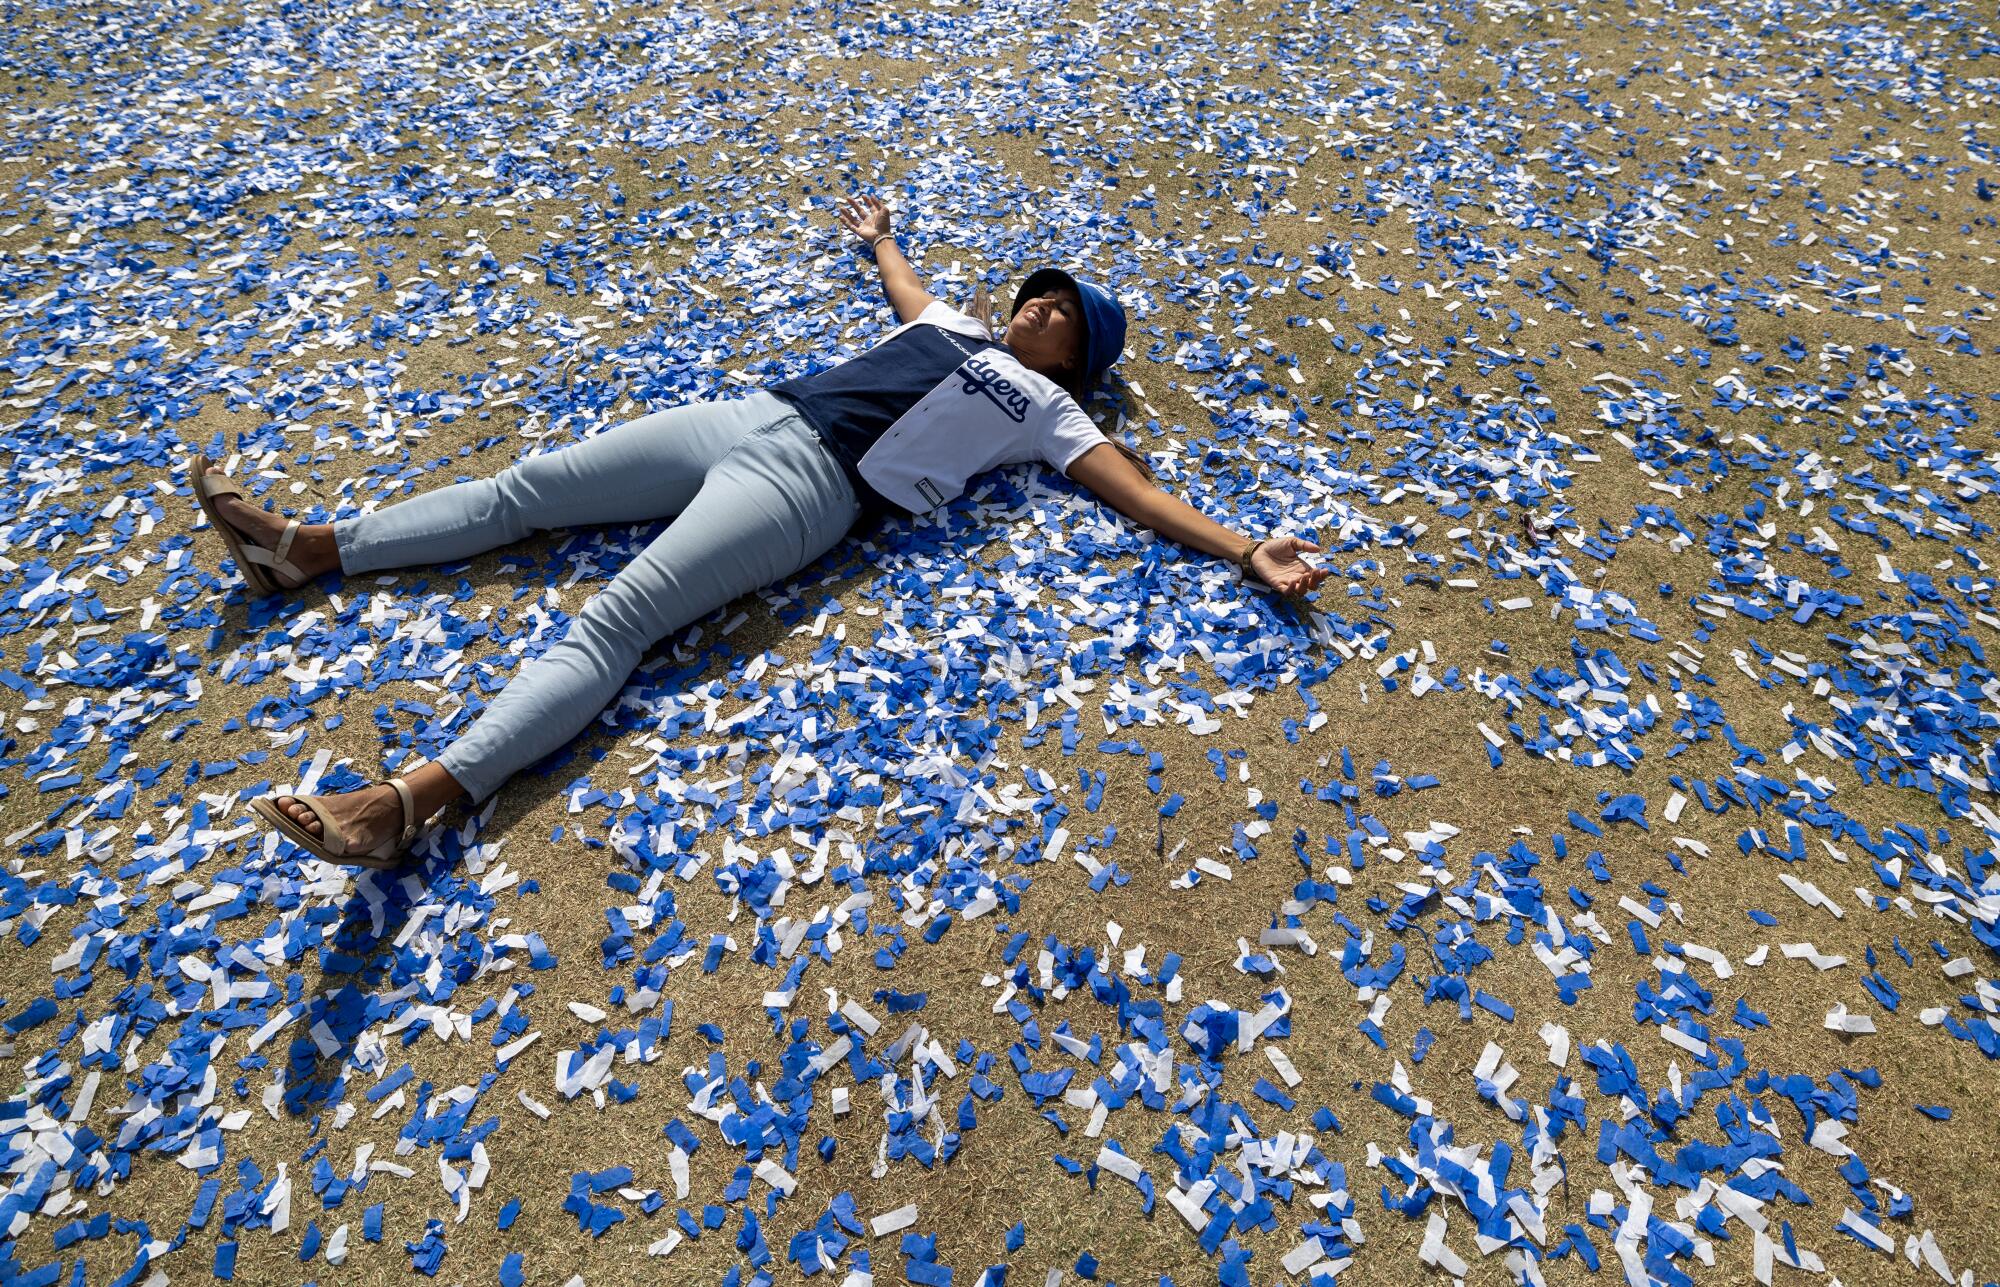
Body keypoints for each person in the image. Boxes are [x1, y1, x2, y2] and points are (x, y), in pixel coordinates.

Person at [193, 193, 1329, 868]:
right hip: (752, 416)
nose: (1041, 306)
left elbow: (1132, 491)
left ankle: (406, 805)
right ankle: (311, 551)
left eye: (1065, 316)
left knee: (614, 623)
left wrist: (1242, 548)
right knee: (526, 489)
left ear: (1078, 357)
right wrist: (881, 235)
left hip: (813, 492)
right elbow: (904, 284)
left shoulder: (1046, 410)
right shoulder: (949, 321)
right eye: (1039, 294)